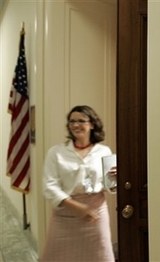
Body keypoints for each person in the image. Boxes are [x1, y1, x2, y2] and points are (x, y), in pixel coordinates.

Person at [40, 105, 116, 262]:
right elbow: (50, 185)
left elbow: (109, 187)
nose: (75, 125)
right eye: (72, 121)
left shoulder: (104, 151)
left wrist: (115, 179)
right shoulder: (56, 152)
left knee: (98, 256)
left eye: (81, 121)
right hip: (64, 217)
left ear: (92, 124)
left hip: (95, 215)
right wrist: (77, 207)